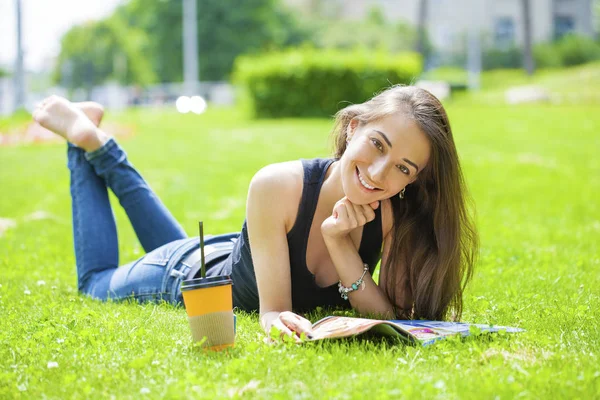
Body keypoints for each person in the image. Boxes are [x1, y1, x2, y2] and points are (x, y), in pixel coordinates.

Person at [33, 86, 478, 342]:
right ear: (354, 127)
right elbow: (274, 312)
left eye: (403, 167)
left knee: (177, 243)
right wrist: (273, 319)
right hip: (188, 275)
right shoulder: (276, 185)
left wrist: (341, 244)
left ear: (414, 180)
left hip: (227, 253)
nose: (379, 173)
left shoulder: (394, 217)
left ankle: (98, 142)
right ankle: (83, 141)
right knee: (95, 282)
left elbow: (394, 318)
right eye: (377, 144)